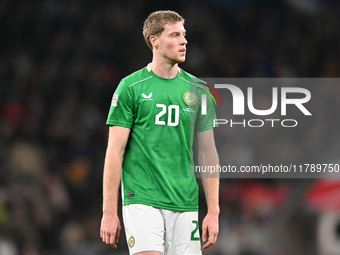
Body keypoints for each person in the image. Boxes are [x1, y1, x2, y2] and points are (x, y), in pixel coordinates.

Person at [100, 10, 220, 255]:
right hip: (142, 199)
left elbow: (208, 153)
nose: (184, 41)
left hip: (185, 202)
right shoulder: (130, 87)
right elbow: (115, 151)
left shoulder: (198, 90)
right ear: (155, 41)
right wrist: (109, 212)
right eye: (175, 35)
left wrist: (213, 211)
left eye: (184, 35)